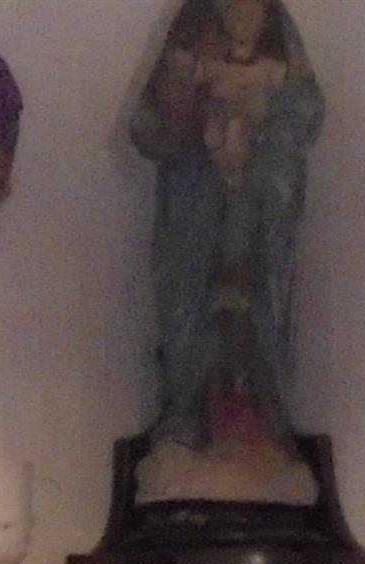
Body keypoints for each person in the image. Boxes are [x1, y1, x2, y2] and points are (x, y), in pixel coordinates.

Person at [128, 0, 323, 459]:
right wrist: (197, 107)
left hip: (261, 207)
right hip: (197, 203)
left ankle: (263, 418)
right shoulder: (193, 21)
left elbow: (309, 110)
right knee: (188, 307)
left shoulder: (279, 26)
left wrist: (264, 107)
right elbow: (149, 124)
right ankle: (186, 418)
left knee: (261, 307)